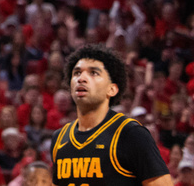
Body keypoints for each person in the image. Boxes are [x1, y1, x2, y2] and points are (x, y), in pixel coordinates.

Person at [51, 45, 171, 186]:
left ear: (112, 89)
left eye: (93, 73)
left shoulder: (130, 134)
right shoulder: (59, 138)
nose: (81, 78)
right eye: (76, 73)